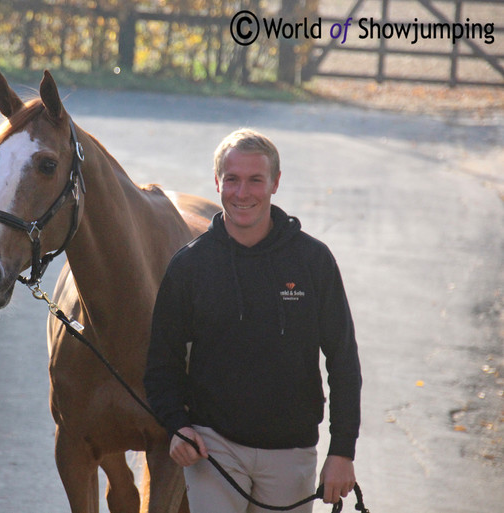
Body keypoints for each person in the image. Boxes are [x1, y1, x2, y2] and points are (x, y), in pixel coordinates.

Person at [144, 128, 362, 512]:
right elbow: (162, 362)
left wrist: (342, 451)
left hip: (291, 454)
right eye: (232, 180)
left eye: (255, 180)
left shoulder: (314, 262)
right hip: (214, 450)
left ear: (275, 183)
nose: (242, 193)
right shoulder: (190, 267)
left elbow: (343, 361)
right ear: (217, 182)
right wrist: (177, 424)